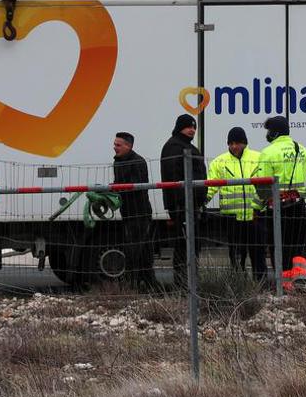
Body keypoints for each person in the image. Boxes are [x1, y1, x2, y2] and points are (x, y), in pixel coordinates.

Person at [207, 126, 267, 282]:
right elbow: (211, 186)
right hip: (232, 218)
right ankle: (239, 284)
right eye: (231, 143)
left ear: (245, 143)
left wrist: (264, 204)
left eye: (237, 143)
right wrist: (201, 201)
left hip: (255, 215)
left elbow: (265, 185)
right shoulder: (219, 162)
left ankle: (260, 283)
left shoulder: (258, 158)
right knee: (236, 254)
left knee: (258, 253)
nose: (234, 146)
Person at [159, 113, 207, 289]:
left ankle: (190, 281)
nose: (192, 130)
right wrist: (178, 205)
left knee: (191, 246)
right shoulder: (174, 147)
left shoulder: (186, 146)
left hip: (192, 205)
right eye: (188, 126)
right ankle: (183, 283)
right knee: (184, 247)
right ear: (180, 127)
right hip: (183, 207)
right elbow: (173, 178)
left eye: (194, 127)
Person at [258, 115, 306, 269]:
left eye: (268, 130)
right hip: (299, 206)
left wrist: (260, 206)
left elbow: (263, 184)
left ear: (274, 133)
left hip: (278, 209)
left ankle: (283, 285)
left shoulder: (268, 152)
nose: (267, 134)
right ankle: (300, 280)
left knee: (279, 247)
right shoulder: (301, 149)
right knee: (299, 246)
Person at [111, 131, 155, 288]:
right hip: (127, 213)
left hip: (140, 213)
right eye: (114, 144)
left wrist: (116, 189)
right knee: (136, 249)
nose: (114, 147)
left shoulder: (138, 162)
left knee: (138, 250)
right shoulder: (117, 162)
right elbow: (118, 182)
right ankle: (142, 283)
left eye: (118, 145)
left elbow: (137, 187)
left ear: (128, 146)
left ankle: (137, 282)